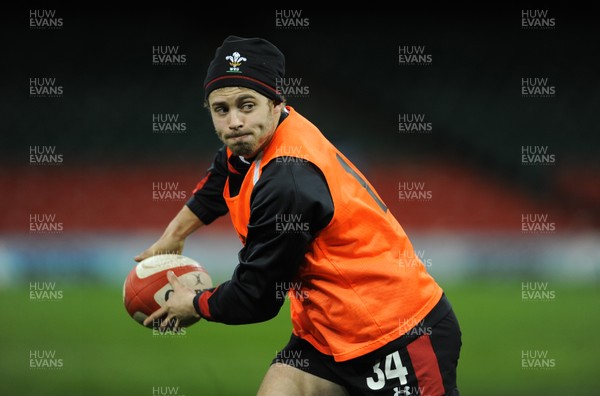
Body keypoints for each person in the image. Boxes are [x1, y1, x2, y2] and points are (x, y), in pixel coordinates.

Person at [137, 35, 461, 396]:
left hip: (397, 335)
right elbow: (223, 173)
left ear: (277, 104)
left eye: (246, 105)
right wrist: (174, 234)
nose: (234, 122)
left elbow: (255, 297)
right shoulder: (259, 140)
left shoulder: (287, 184)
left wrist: (194, 304)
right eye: (221, 109)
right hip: (325, 336)